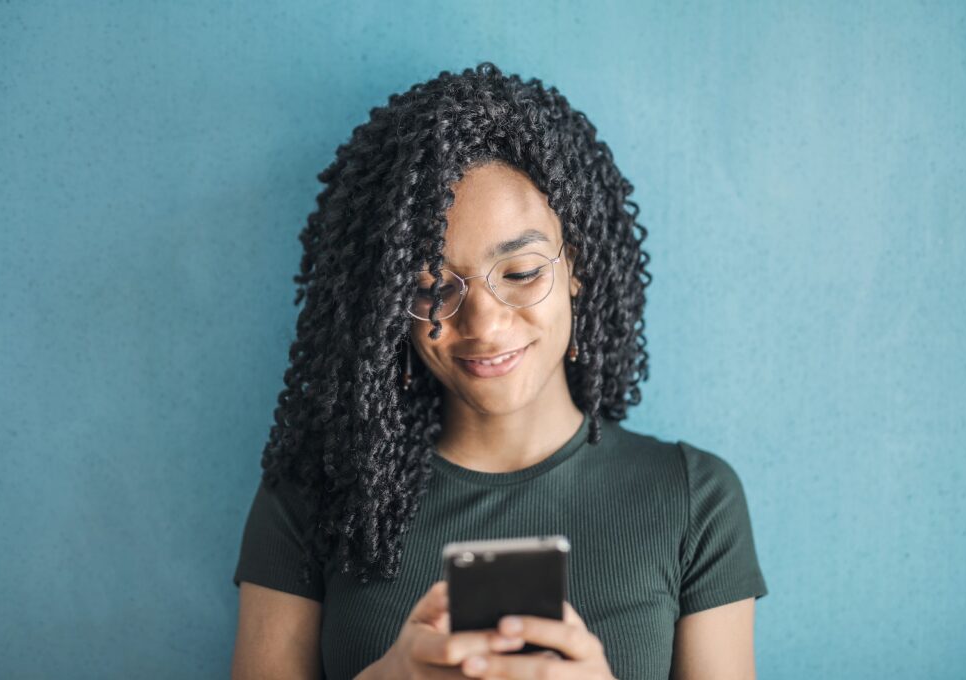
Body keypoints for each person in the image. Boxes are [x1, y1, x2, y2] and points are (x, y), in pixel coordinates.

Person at [231, 62, 768, 680]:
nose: (483, 325)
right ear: (388, 307)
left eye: (520, 273)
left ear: (578, 269)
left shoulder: (693, 499)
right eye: (432, 289)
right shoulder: (310, 496)